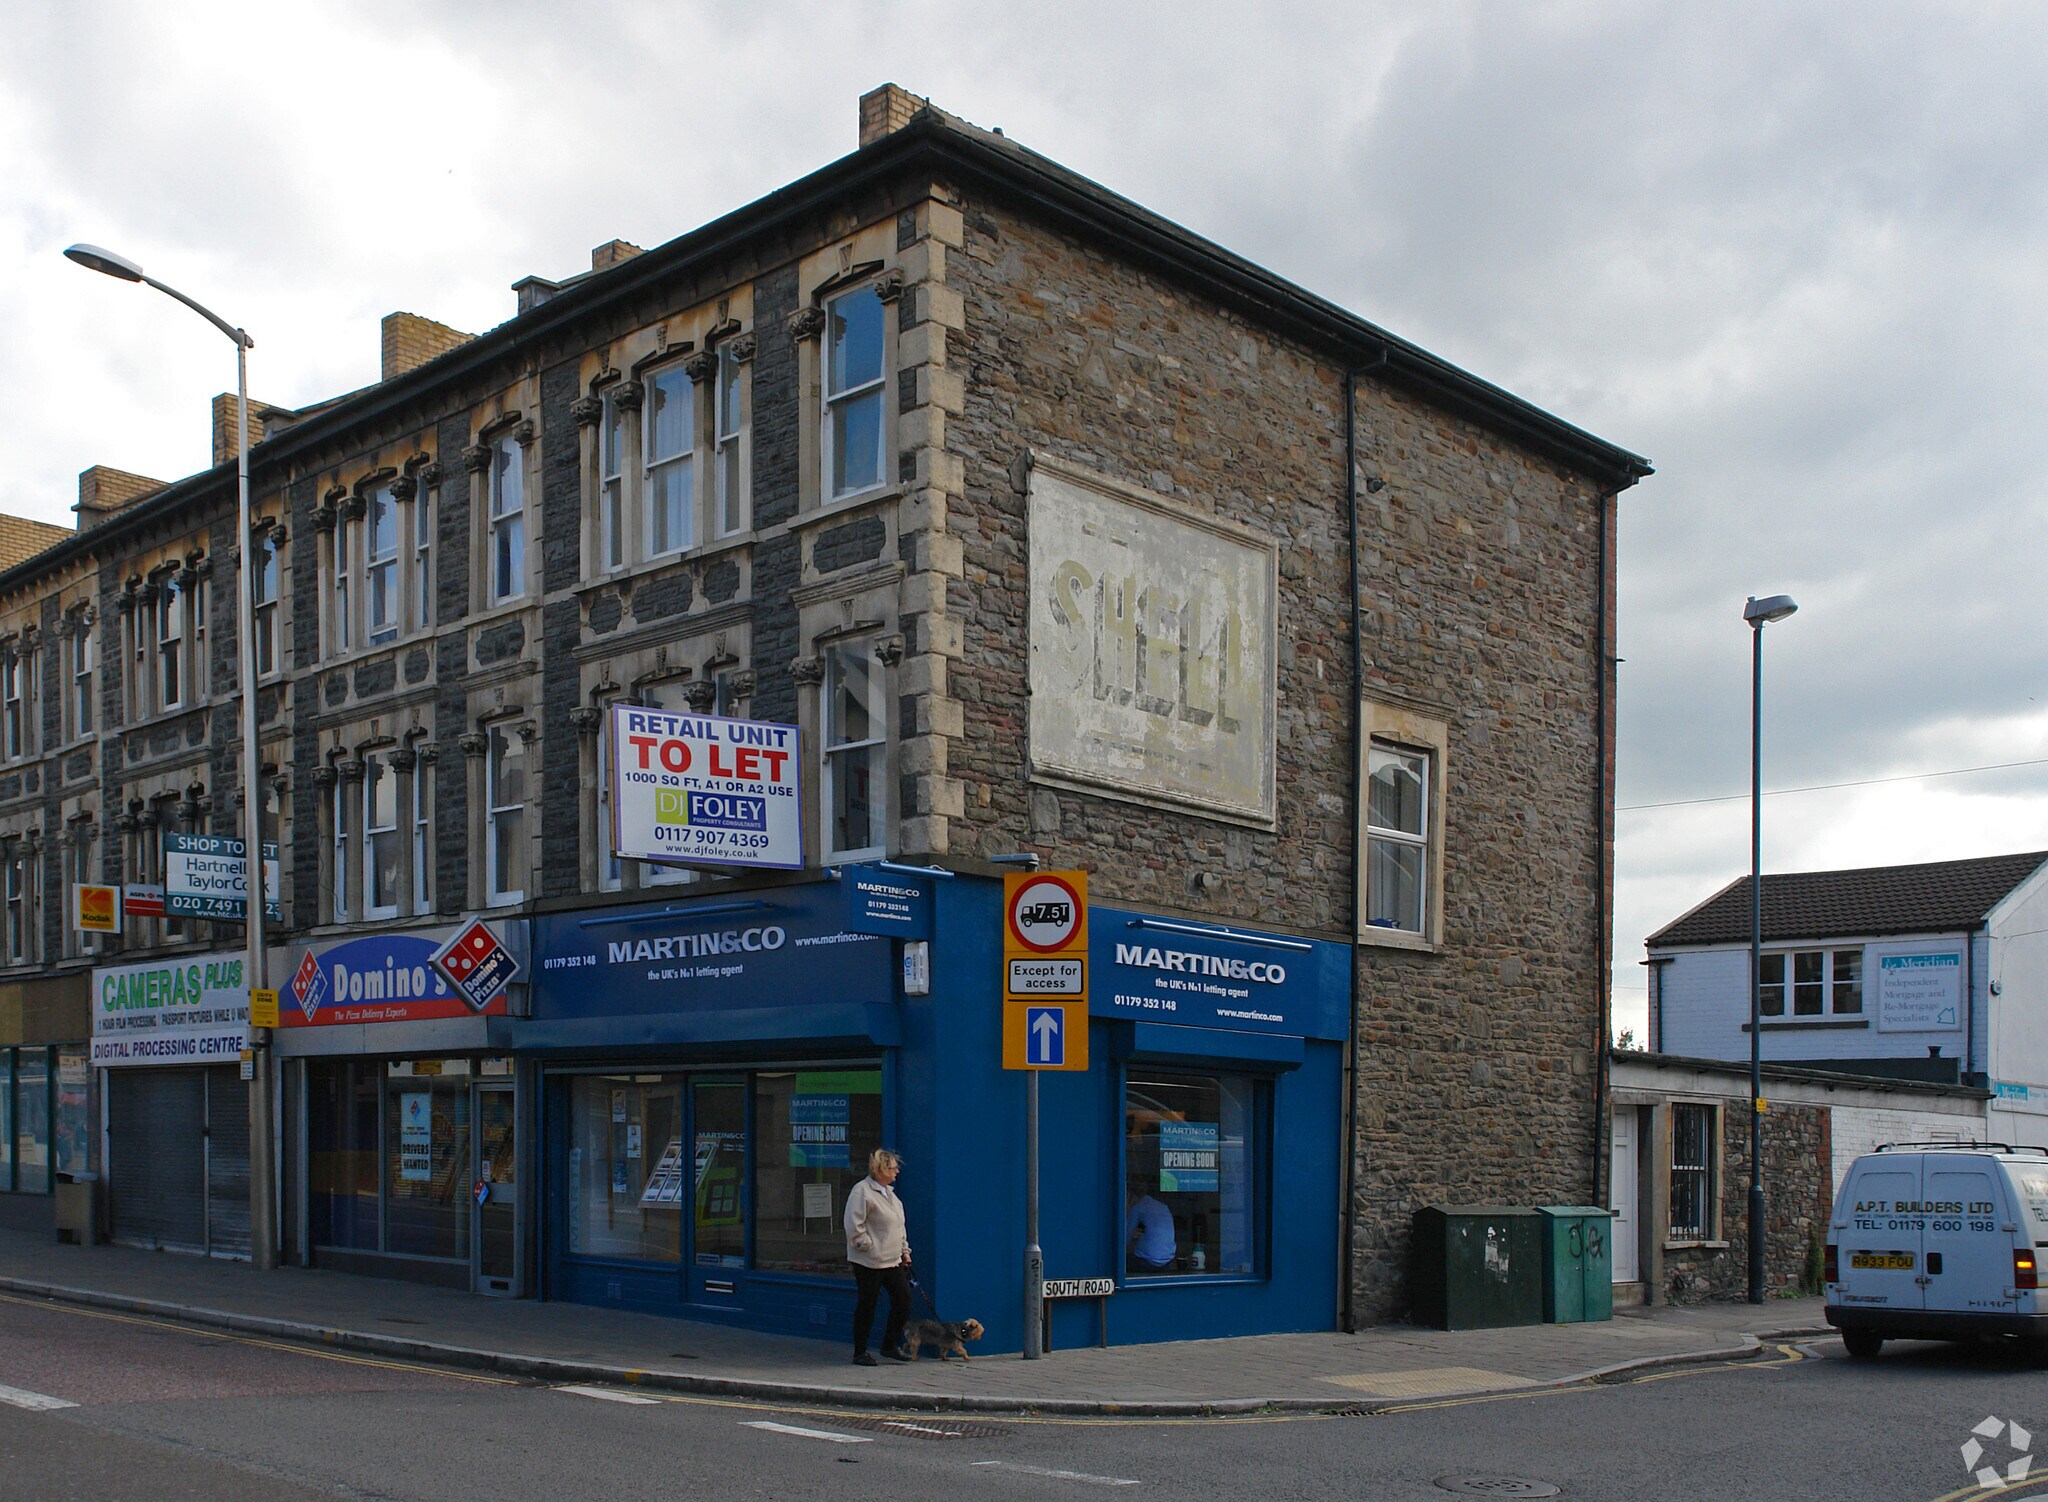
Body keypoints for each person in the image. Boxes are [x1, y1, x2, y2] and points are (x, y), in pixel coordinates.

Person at [843, 1148, 913, 1365]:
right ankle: (860, 1352)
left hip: (892, 1260)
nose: (897, 1172)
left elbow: (899, 1227)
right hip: (869, 1261)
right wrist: (867, 1246)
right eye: (893, 1168)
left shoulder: (890, 1195)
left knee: (903, 1300)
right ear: (880, 1170)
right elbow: (853, 1225)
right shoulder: (862, 1191)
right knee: (868, 1304)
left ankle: (889, 1345)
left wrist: (905, 1251)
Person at [1126, 1188, 1176, 1272]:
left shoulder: (1138, 1206)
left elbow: (1124, 1241)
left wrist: (1127, 1211)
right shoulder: (1164, 1206)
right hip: (1168, 1261)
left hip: (1147, 1262)